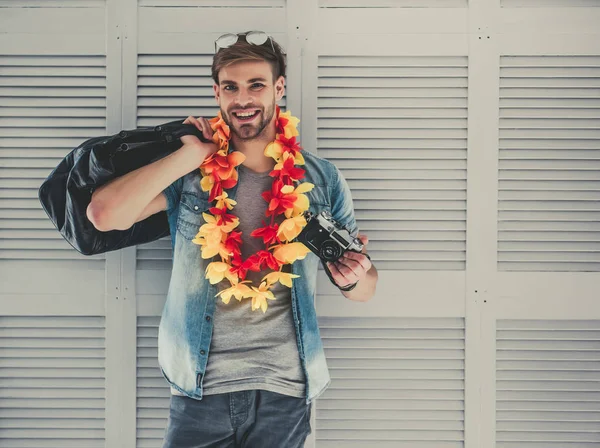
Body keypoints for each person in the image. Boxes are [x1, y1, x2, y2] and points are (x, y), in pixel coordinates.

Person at [86, 31, 378, 448]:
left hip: (285, 389)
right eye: (230, 87)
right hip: (199, 387)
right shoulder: (189, 175)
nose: (243, 99)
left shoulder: (323, 178)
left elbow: (364, 290)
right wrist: (191, 154)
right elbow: (103, 214)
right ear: (216, 93)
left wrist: (354, 275)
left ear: (278, 88)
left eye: (256, 84)